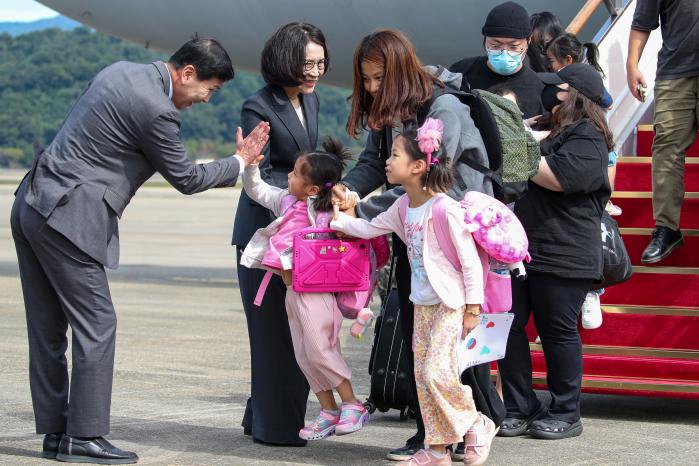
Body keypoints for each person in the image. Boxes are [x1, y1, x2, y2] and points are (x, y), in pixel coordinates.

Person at [10, 38, 270, 464]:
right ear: (187, 73)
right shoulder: (158, 110)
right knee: (98, 323)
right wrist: (240, 162)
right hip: (69, 218)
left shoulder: (119, 71)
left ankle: (57, 433)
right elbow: (186, 178)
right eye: (209, 89)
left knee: (48, 327)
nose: (205, 99)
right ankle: (85, 436)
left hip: (32, 204)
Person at [332, 29, 498, 462]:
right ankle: (436, 438)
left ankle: (477, 421)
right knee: (420, 347)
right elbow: (374, 163)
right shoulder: (390, 109)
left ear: (400, 69)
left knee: (448, 356)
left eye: (377, 77)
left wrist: (362, 214)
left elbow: (425, 183)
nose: (370, 88)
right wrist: (350, 190)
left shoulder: (441, 107)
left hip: (447, 237)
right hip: (414, 238)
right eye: (365, 79)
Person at [498, 63, 612, 440]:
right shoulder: (549, 129)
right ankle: (518, 405)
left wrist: (517, 143)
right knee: (509, 325)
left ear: (572, 95)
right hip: (525, 251)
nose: (548, 93)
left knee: (556, 331)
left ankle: (566, 411)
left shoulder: (589, 137)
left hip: (565, 253)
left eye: (555, 88)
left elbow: (557, 178)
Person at [231, 22, 328, 446]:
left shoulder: (312, 99)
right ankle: (278, 429)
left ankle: (261, 416)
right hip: (265, 228)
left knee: (292, 331)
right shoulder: (259, 105)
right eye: (307, 64)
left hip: (298, 230)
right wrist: (306, 192)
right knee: (272, 333)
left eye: (321, 64)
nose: (315, 73)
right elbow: (262, 170)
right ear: (285, 60)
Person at [240, 139, 373, 441]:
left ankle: (352, 403)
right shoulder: (287, 202)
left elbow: (349, 216)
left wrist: (345, 197)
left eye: (297, 173)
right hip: (292, 292)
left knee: (320, 348)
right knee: (304, 355)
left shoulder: (328, 212)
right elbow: (258, 190)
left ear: (313, 189)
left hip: (316, 294)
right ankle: (328, 410)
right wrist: (249, 167)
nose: (289, 176)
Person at [545, 31, 618, 330]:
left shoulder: (588, 129)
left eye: (551, 63)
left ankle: (592, 292)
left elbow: (607, 102)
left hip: (577, 238)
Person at [626, 0, 699, 264]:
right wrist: (631, 65)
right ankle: (667, 228)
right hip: (674, 73)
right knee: (666, 148)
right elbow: (642, 22)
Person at [450, 1, 545, 119]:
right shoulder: (462, 71)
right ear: (485, 41)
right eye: (495, 45)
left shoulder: (538, 88)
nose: (504, 52)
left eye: (513, 46)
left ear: (528, 41)